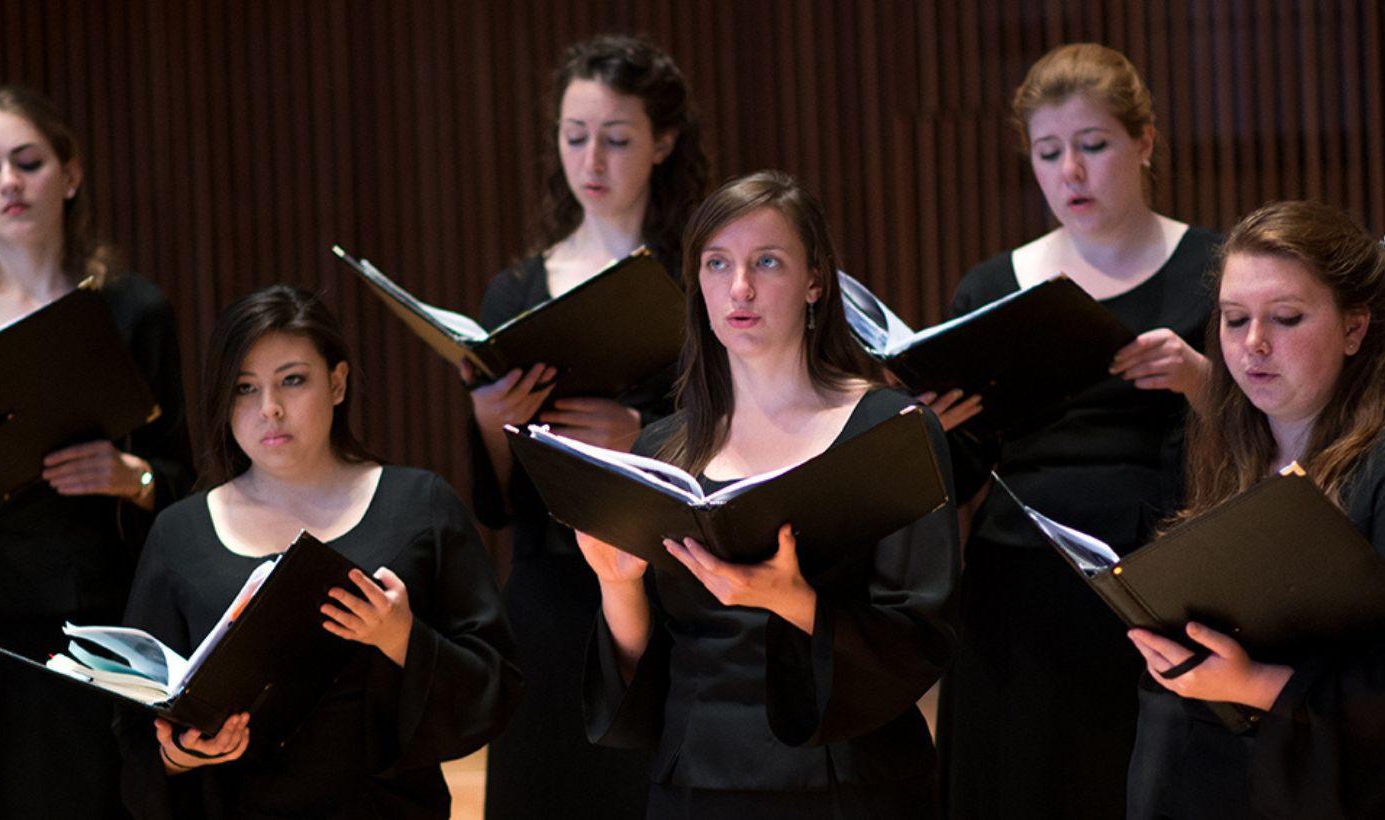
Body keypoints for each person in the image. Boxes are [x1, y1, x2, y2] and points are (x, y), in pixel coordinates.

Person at [575, 170, 960, 818]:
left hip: (848, 781)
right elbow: (647, 686)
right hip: (696, 782)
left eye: (768, 262)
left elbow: (922, 636)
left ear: (815, 281)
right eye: (717, 264)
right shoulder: (663, 451)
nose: (740, 288)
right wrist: (618, 589)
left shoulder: (891, 432)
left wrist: (797, 602)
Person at [931, 44, 1222, 819]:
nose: (1071, 174)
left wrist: (1201, 380)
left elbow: (1280, 438)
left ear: (1145, 142)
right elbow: (962, 470)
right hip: (1017, 572)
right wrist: (935, 429)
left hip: (1157, 574)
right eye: (1048, 152)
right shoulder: (992, 287)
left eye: (1093, 146)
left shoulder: (1213, 270)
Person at [116, 285, 521, 818]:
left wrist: (402, 638)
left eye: (293, 380)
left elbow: (497, 688)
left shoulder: (419, 507)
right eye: (244, 388)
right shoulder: (179, 533)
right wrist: (179, 756)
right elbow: (135, 732)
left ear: (336, 383)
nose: (270, 409)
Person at [0, 85, 193, 819]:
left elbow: (186, 484)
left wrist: (129, 476)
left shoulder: (135, 311)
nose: (8, 181)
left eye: (27, 161)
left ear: (70, 175)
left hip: (95, 631)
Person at [467, 33, 709, 819]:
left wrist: (640, 430)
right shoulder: (516, 291)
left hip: (676, 582)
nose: (592, 161)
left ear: (663, 142)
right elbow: (501, 503)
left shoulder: (702, 278)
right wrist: (490, 424)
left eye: (616, 138)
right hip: (552, 587)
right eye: (576, 138)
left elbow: (743, 426)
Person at [1126, 200, 1385, 820]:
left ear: (1354, 329)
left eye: (1287, 318)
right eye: (1234, 319)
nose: (1253, 344)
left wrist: (1252, 685)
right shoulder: (1225, 442)